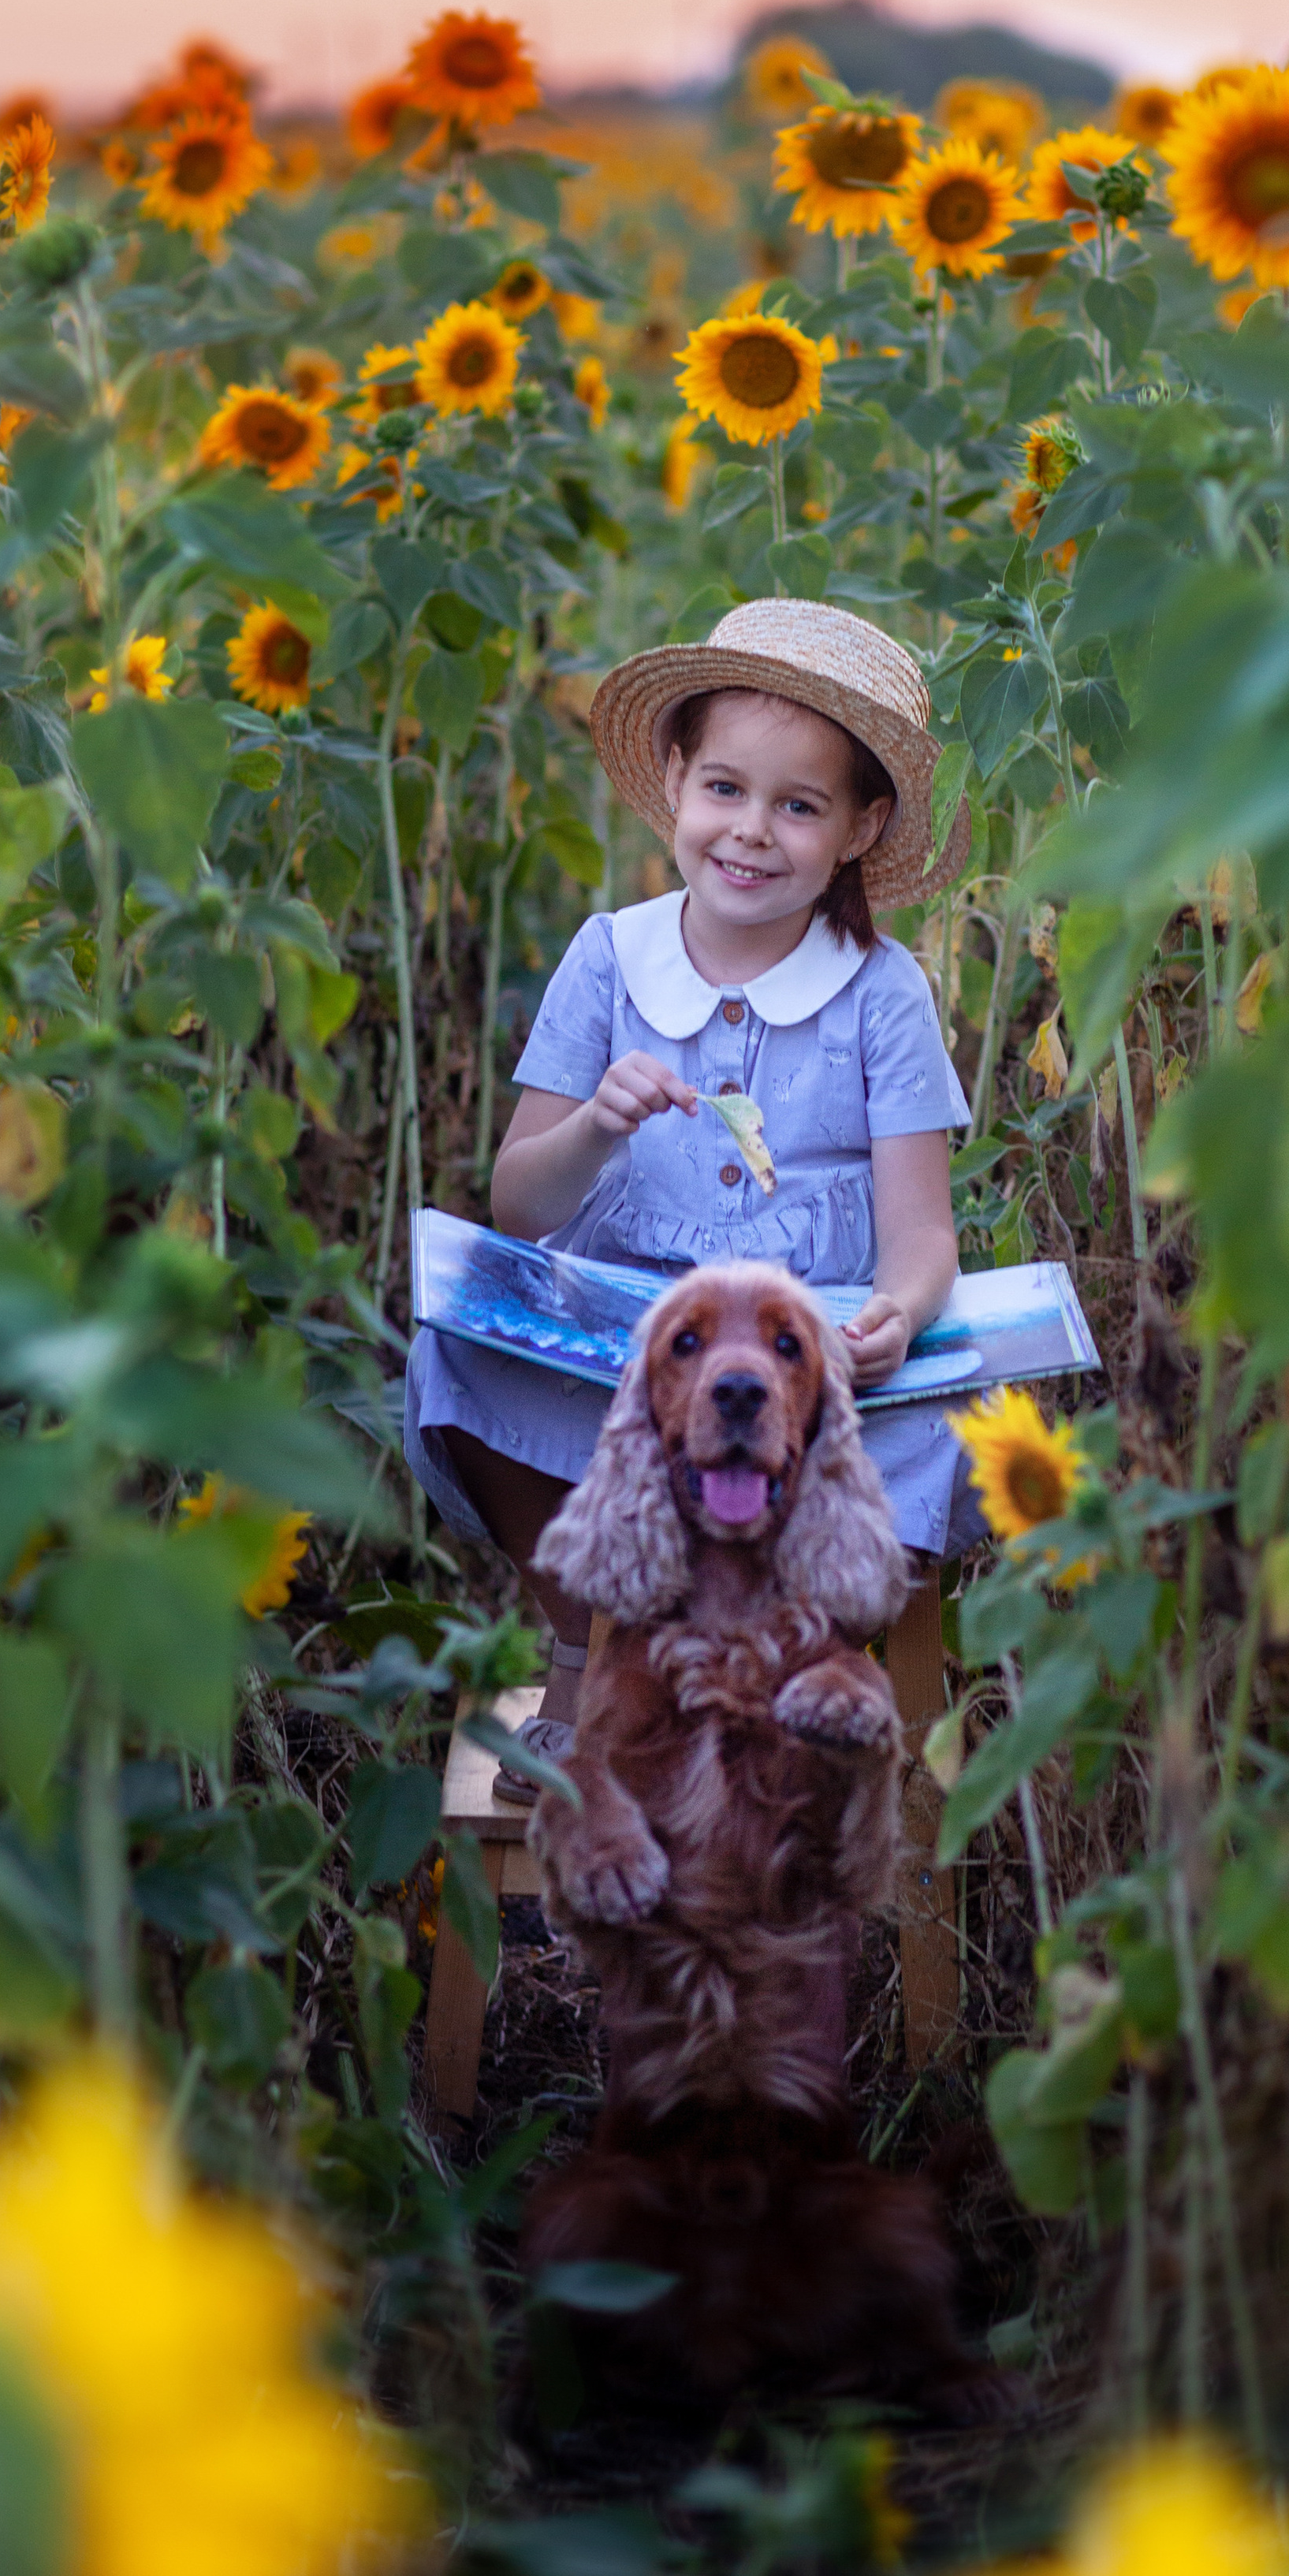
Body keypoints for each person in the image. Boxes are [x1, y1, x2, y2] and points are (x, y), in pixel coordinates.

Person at [404, 597, 978, 1776]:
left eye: (799, 805)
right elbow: (521, 1203)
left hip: (803, 1344)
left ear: (863, 827)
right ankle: (588, 1647)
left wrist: (897, 1315)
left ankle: (773, 1663)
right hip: (628, 1342)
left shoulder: (880, 992)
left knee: (943, 1433)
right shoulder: (613, 956)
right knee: (457, 1353)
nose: (751, 834)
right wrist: (597, 1131)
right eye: (725, 788)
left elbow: (925, 1238)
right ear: (673, 777)